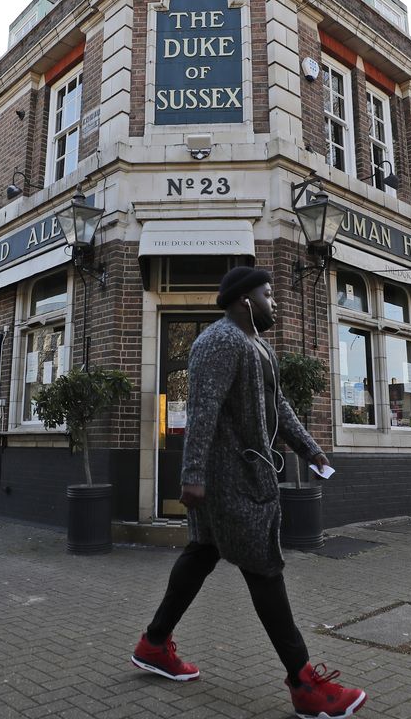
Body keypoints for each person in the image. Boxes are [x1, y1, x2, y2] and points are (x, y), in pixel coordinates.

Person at [131, 266, 368, 719]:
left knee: (202, 552)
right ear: (245, 300)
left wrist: (312, 450)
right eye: (267, 293)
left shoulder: (256, 345)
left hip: (243, 477)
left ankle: (154, 644)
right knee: (264, 569)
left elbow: (278, 405)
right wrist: (192, 474)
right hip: (229, 483)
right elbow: (201, 410)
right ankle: (303, 683)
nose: (273, 300)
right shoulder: (219, 341)